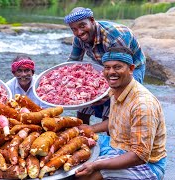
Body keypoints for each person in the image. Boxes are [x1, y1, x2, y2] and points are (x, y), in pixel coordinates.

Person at [74, 48, 167, 180]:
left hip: (148, 165)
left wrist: (97, 165)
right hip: (116, 145)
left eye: (117, 67)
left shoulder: (142, 105)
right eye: (107, 67)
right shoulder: (115, 90)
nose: (111, 72)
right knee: (75, 144)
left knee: (82, 175)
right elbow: (117, 120)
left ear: (131, 68)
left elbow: (139, 155)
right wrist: (91, 129)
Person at [64, 7, 146, 124]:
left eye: (82, 26)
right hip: (105, 66)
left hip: (131, 67)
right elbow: (73, 62)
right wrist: (61, 83)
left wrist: (108, 93)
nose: (79, 32)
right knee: (82, 110)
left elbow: (119, 70)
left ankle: (113, 139)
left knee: (115, 106)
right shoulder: (79, 38)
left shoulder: (116, 36)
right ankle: (85, 139)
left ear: (92, 20)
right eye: (74, 29)